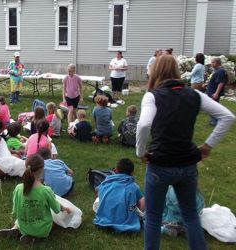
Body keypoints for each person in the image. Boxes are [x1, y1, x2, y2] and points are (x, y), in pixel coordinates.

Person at [136, 54, 235, 250]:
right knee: (190, 216)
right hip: (187, 166)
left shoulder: (152, 96)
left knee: (153, 218)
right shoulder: (194, 95)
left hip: (160, 166)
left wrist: (140, 152)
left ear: (155, 71)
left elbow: (144, 124)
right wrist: (208, 145)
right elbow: (227, 116)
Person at [0, 154, 71, 243]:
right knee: (53, 221)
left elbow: (15, 209)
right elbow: (56, 208)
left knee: (19, 220)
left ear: (26, 167)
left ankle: (15, 229)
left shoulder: (18, 188)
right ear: (42, 170)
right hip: (41, 229)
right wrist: (65, 209)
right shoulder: (45, 190)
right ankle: (35, 238)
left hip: (23, 225)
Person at [93, 158, 144, 232]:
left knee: (98, 200)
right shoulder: (133, 186)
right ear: (132, 173)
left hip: (103, 220)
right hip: (125, 220)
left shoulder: (107, 181)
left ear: (116, 170)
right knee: (143, 199)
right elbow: (141, 201)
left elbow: (96, 190)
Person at [206, 56, 227, 126]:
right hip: (211, 91)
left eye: (213, 62)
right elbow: (215, 81)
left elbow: (221, 82)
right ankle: (213, 121)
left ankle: (215, 122)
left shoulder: (220, 71)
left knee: (213, 107)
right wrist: (207, 84)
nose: (211, 63)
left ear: (217, 63)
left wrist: (216, 93)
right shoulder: (217, 70)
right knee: (211, 107)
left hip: (213, 93)